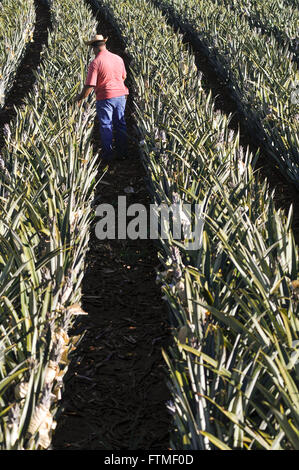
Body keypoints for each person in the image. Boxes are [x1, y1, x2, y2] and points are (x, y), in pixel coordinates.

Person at [74, 34, 129, 162]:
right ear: (104, 45)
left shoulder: (95, 63)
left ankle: (108, 155)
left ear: (94, 48)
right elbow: (123, 76)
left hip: (105, 97)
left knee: (106, 125)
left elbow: (89, 85)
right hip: (121, 95)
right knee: (120, 124)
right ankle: (123, 153)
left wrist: (80, 98)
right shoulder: (118, 58)